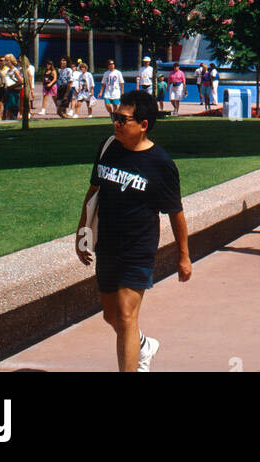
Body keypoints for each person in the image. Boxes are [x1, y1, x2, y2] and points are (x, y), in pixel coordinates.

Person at [75, 89, 190, 372]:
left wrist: (184, 256)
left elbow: (176, 212)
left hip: (138, 247)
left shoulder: (160, 164)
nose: (116, 123)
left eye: (123, 119)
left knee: (126, 315)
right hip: (107, 245)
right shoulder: (108, 147)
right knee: (111, 316)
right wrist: (82, 234)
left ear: (143, 125)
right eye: (115, 117)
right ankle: (143, 345)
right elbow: (93, 192)